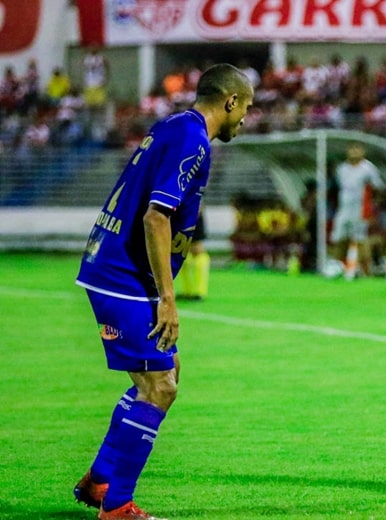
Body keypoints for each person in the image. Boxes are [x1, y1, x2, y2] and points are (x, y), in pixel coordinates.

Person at [74, 63, 254, 520]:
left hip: (117, 270)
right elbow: (157, 217)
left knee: (165, 371)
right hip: (124, 277)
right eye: (247, 108)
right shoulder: (192, 140)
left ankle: (99, 480)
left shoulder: (174, 125)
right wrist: (168, 299)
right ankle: (117, 506)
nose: (246, 119)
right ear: (230, 101)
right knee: (161, 387)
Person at [330, 142, 384, 278]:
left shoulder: (368, 168)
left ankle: (367, 271)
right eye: (352, 149)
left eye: (357, 149)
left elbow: (377, 188)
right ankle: (337, 267)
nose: (354, 152)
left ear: (362, 151)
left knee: (360, 239)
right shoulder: (342, 168)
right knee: (339, 238)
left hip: (360, 210)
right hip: (344, 209)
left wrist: (372, 208)